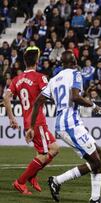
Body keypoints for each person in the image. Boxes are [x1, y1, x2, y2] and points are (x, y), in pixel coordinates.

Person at [26, 51, 101, 203]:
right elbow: (75, 97)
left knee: (99, 155)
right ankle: (57, 181)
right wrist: (93, 105)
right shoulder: (76, 74)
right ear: (74, 61)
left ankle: (96, 198)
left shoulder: (53, 80)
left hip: (68, 123)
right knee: (95, 162)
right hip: (69, 124)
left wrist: (31, 127)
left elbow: (38, 102)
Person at [3, 46, 59, 195]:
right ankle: (21, 181)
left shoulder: (17, 79)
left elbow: (5, 98)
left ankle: (31, 175)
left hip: (28, 120)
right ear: (37, 61)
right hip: (37, 121)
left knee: (54, 148)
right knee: (48, 152)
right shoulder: (40, 77)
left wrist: (11, 118)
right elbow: (49, 95)